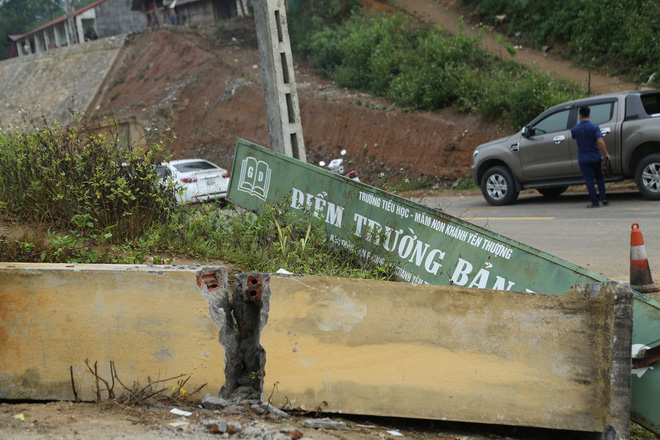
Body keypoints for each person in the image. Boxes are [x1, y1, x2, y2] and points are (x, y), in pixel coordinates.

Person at [571, 106, 610, 208]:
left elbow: (575, 137)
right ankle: (603, 197)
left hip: (583, 158)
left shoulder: (575, 130)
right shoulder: (594, 127)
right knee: (599, 177)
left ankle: (594, 202)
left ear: (579, 116)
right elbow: (600, 142)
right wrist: (606, 153)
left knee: (589, 180)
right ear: (589, 115)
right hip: (595, 157)